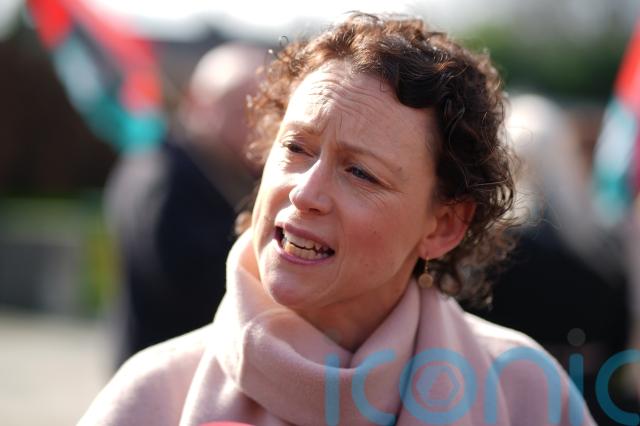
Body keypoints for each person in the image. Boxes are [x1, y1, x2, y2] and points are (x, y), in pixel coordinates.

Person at [82, 13, 595, 425]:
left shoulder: (526, 392)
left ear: (443, 226)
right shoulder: (152, 397)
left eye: (360, 172)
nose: (304, 192)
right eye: (295, 148)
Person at [105, 42, 264, 365]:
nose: (257, 126)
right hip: (166, 371)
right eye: (242, 109)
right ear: (197, 102)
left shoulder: (184, 164)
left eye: (266, 110)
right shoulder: (164, 178)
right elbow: (204, 287)